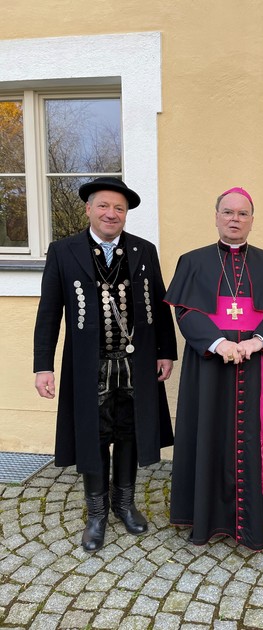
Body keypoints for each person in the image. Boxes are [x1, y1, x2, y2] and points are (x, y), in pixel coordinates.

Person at [34, 177, 177, 553]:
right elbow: (49, 312)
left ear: (125, 214)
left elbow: (160, 305)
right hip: (88, 366)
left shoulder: (143, 250)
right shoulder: (63, 251)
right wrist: (42, 365)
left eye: (119, 208)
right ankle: (96, 514)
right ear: (88, 209)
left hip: (135, 364)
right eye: (104, 206)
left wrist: (166, 351)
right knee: (94, 435)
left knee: (129, 432)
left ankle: (124, 504)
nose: (111, 214)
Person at [165, 187, 263, 550]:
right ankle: (206, 518)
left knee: (254, 434)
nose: (234, 220)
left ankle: (256, 516)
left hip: (258, 367)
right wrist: (218, 343)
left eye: (242, 214)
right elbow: (187, 312)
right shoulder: (192, 261)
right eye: (228, 212)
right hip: (209, 367)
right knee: (208, 431)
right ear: (216, 216)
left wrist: (257, 341)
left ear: (252, 220)